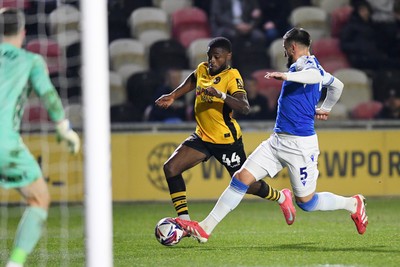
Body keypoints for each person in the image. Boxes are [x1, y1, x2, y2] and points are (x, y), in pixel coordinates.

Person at [176, 28, 369, 243]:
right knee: (241, 178)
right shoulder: (305, 67)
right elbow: (337, 85)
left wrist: (286, 76)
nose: (284, 53)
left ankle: (352, 204)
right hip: (277, 141)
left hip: (300, 146)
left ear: (292, 47)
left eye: (285, 49)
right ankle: (205, 228)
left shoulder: (308, 66)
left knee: (306, 202)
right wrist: (327, 107)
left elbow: (314, 76)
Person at [155, 37, 295, 226]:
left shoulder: (232, 76)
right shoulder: (203, 68)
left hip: (226, 141)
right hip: (202, 136)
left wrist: (220, 95)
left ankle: (281, 198)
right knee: (171, 168)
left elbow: (244, 107)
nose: (212, 60)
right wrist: (173, 95)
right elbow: (193, 79)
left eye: (217, 57)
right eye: (210, 56)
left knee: (247, 185)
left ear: (228, 57)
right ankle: (184, 222)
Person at [0, 8, 80, 266]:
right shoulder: (30, 61)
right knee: (38, 198)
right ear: (23, 33)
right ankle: (15, 263)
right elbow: (48, 94)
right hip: (4, 143)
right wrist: (63, 127)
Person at [340, 0, 400, 70]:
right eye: (362, 10)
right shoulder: (351, 26)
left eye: (366, 10)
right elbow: (344, 45)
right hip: (360, 57)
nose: (365, 13)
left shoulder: (371, 25)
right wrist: (360, 47)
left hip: (376, 53)